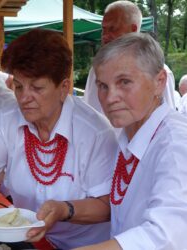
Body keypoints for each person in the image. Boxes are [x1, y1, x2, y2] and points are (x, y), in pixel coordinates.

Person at [0, 29, 118, 250]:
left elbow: (106, 206)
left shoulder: (95, 132)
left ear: (64, 87)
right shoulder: (7, 118)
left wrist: (65, 209)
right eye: (18, 86)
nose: (24, 98)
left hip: (86, 245)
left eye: (37, 88)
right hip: (28, 239)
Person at [75, 33, 187, 250]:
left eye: (124, 82)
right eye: (103, 86)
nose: (110, 97)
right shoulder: (128, 134)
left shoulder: (175, 144)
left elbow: (168, 235)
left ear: (159, 82)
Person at [84, 0, 176, 113]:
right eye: (104, 29)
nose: (105, 35)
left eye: (113, 29)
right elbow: (89, 113)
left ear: (133, 30)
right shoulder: (96, 71)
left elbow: (166, 119)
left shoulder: (157, 72)